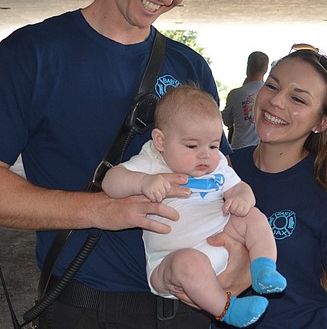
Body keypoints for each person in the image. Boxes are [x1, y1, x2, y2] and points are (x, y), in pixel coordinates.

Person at [0, 0, 250, 328]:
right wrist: (100, 210)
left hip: (191, 308)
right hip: (86, 309)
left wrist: (241, 254)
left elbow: (221, 178)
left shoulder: (190, 67)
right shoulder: (32, 54)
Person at [225, 47, 327, 328]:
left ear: (323, 122)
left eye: (297, 98)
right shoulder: (221, 169)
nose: (276, 101)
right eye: (272, 85)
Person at [103, 86, 285, 327]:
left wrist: (242, 198)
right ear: (160, 141)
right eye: (192, 146)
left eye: (212, 145)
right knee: (187, 262)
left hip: (221, 241)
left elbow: (240, 188)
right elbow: (110, 182)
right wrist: (143, 182)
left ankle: (264, 268)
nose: (205, 156)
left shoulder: (217, 163)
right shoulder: (152, 162)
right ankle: (229, 310)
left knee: (253, 217)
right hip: (171, 263)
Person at [222, 51, 269, 149]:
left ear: (248, 67)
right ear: (266, 69)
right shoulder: (271, 93)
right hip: (263, 149)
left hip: (240, 148)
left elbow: (227, 121)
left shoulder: (235, 94)